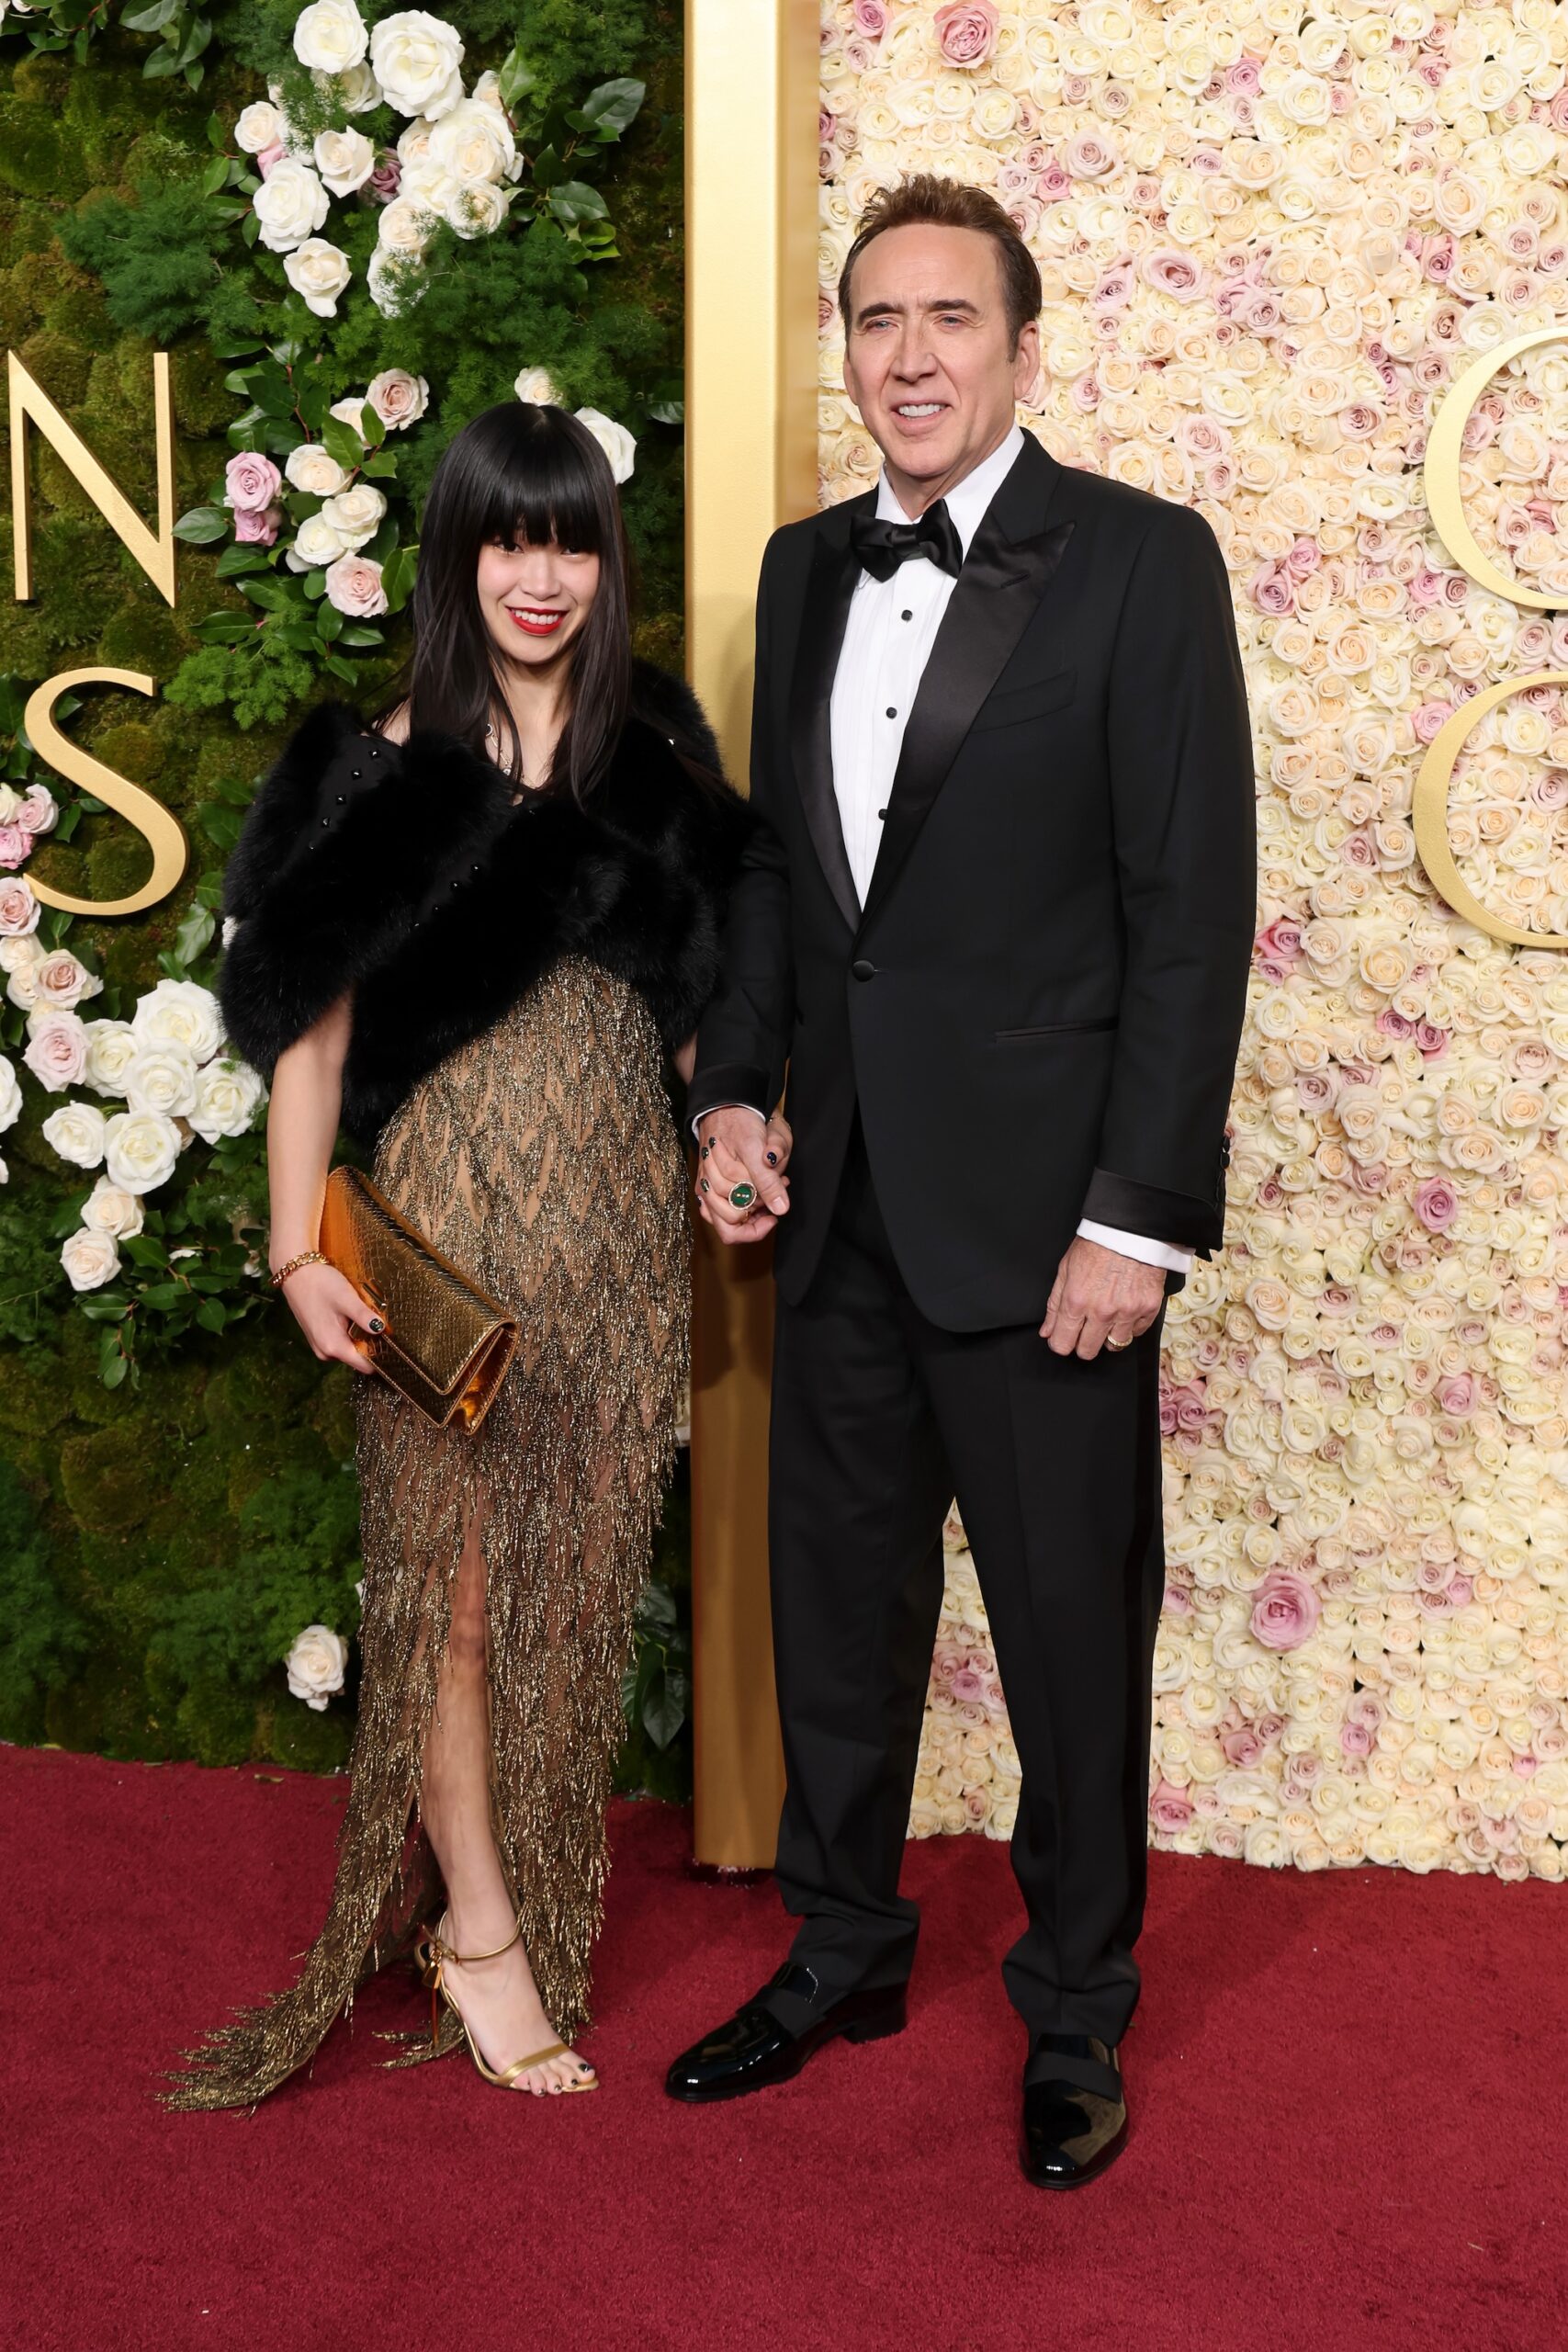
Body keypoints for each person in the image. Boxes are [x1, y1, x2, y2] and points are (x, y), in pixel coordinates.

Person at [667, 175, 1256, 2188]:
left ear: (1019, 345)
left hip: (1042, 1229)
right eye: (873, 321)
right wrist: (732, 1094)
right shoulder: (802, 568)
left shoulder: (1139, 563)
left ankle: (1074, 2005)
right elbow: (774, 877)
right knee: (835, 1616)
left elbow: (1189, 912)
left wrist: (1136, 1212)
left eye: (945, 319)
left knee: (1066, 1637)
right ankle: (843, 1942)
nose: (905, 356)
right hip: (827, 1199)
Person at [167, 401, 759, 2109]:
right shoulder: (373, 766)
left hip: (615, 1239)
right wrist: (297, 1251)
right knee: (454, 1597)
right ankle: (479, 1929)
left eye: (570, 539)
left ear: (604, 558)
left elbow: (702, 1008)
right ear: (458, 556)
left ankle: (505, 1891)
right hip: (439, 1227)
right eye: (510, 539)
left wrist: (730, 1134)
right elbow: (313, 1044)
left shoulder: (650, 754)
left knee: (575, 1586)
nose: (542, 575)